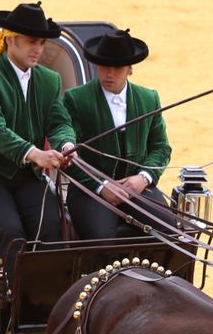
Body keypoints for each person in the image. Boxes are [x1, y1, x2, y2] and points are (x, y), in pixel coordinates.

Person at [0, 2, 78, 261]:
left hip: (28, 176)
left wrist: (67, 145)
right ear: (10, 40)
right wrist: (34, 153)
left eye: (42, 43)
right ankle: (8, 300)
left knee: (50, 229)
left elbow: (59, 122)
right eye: (32, 41)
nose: (38, 49)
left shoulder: (49, 80)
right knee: (11, 232)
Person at [61, 28, 178, 240]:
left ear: (130, 69)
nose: (110, 73)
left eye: (117, 67)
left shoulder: (148, 98)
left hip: (137, 187)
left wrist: (143, 178)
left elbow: (161, 148)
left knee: (169, 229)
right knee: (102, 238)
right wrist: (100, 185)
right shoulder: (76, 99)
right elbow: (71, 157)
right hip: (91, 191)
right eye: (104, 66)